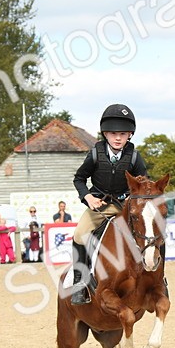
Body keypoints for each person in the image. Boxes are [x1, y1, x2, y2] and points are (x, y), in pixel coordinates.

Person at [67, 103, 148, 304]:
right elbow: (79, 179)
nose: (118, 138)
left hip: (125, 207)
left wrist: (137, 201)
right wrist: (88, 197)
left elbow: (144, 184)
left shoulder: (135, 157)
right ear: (105, 134)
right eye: (113, 133)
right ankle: (80, 283)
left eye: (122, 133)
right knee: (79, 235)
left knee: (150, 232)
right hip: (100, 205)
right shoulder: (95, 154)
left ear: (130, 134)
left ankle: (157, 281)